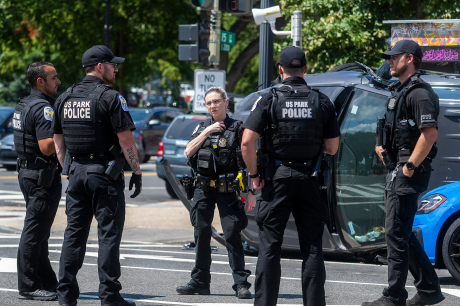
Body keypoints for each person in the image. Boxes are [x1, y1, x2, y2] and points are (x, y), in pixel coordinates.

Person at [241, 46, 341, 306]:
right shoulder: (322, 101)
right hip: (310, 178)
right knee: (312, 248)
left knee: (270, 246)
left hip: (277, 179)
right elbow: (332, 147)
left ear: (280, 69)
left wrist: (254, 175)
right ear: (306, 70)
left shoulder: (268, 100)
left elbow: (246, 142)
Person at [53, 45, 142, 306]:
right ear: (100, 67)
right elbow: (126, 140)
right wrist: (136, 171)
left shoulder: (64, 98)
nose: (116, 68)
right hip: (104, 175)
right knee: (108, 236)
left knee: (73, 236)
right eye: (113, 64)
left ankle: (66, 296)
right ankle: (110, 297)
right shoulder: (111, 97)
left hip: (77, 174)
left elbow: (59, 142)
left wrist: (69, 170)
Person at [364, 40, 444, 306]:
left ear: (409, 58)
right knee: (402, 233)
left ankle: (394, 297)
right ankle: (430, 289)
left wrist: (409, 167)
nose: (389, 61)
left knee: (395, 234)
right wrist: (382, 147)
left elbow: (429, 134)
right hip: (397, 170)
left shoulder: (419, 93)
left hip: (407, 173)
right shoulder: (400, 91)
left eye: (394, 57)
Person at [176, 86, 253, 299]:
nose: (212, 106)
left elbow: (249, 160)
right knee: (201, 234)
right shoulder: (202, 127)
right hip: (203, 189)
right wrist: (207, 132)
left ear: (226, 103)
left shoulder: (237, 128)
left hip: (228, 190)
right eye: (209, 103)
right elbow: (188, 150)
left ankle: (241, 284)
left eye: (216, 101)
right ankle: (200, 282)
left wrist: (251, 192)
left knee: (232, 234)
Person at [14, 62, 62, 301]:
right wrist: (67, 136)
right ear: (40, 81)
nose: (59, 81)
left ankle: (47, 280)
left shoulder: (23, 104)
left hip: (27, 173)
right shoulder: (44, 108)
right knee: (34, 232)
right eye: (54, 77)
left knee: (40, 231)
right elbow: (45, 147)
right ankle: (28, 285)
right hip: (42, 176)